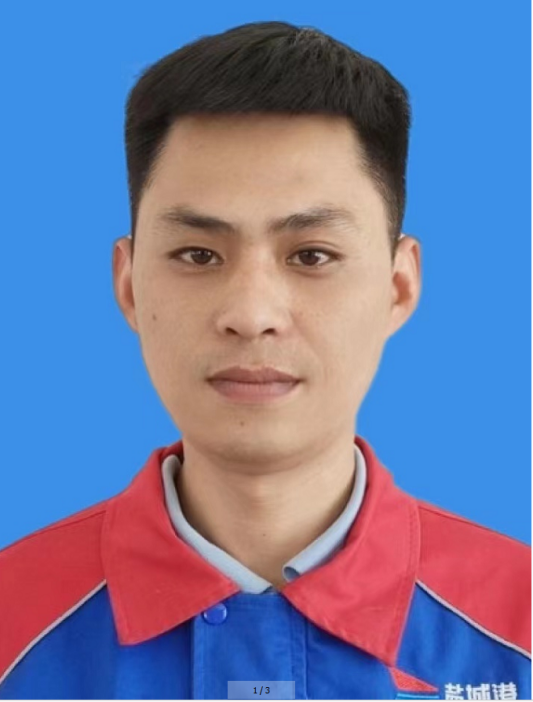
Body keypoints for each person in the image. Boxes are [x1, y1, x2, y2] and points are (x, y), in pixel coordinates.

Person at [0, 21, 530, 701]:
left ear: (398, 287)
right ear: (129, 286)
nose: (251, 314)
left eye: (311, 255)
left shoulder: (518, 621)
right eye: (198, 255)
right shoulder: (13, 622)